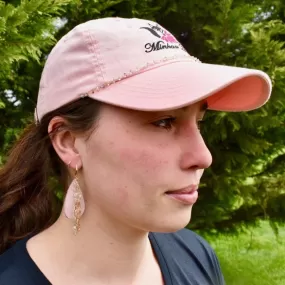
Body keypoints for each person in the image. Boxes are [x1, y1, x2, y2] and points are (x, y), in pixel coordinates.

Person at [0, 17, 271, 285]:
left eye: (199, 123)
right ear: (68, 142)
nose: (203, 157)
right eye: (163, 122)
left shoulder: (195, 255)